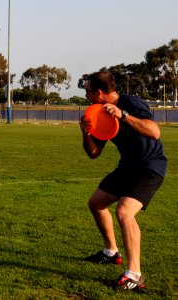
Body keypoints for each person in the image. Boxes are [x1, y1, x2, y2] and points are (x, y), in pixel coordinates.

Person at [80, 71, 167, 290]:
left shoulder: (130, 102)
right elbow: (93, 153)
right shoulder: (98, 112)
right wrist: (86, 133)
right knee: (96, 203)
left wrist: (123, 115)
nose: (86, 95)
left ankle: (134, 276)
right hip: (127, 167)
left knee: (124, 212)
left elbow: (154, 132)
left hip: (150, 166)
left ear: (99, 92)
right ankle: (111, 252)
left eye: (87, 91)